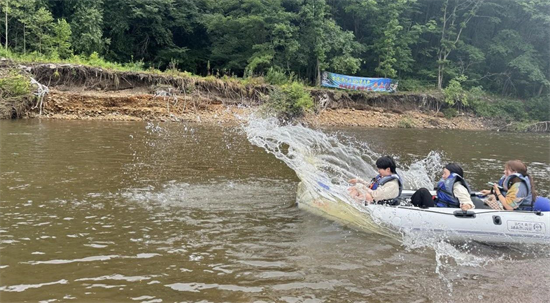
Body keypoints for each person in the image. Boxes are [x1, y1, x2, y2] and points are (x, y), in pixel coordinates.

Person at [410, 163, 475, 211]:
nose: (443, 176)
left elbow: (469, 203)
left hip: (444, 211)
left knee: (423, 191)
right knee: (422, 193)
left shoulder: (458, 188)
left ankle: (409, 209)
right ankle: (409, 206)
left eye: (445, 173)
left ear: (452, 175)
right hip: (438, 206)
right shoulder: (449, 185)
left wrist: (466, 206)